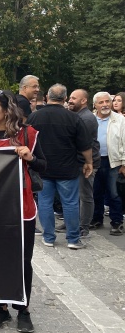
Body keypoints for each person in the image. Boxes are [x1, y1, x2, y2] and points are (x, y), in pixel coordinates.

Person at [0, 90, 47, 333]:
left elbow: (43, 165)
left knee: (23, 260)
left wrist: (30, 156)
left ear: (6, 110)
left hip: (22, 209)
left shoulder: (28, 133)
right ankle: (0, 307)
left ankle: (23, 308)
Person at [27, 84, 93, 250]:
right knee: (70, 204)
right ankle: (73, 239)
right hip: (67, 168)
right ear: (65, 98)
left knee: (45, 202)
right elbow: (85, 146)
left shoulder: (34, 117)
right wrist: (89, 162)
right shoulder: (74, 118)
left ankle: (48, 237)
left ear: (47, 98)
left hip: (43, 168)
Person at [90, 92, 125, 235]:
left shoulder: (120, 120)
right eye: (101, 102)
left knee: (114, 193)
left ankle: (116, 222)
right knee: (95, 192)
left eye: (107, 101)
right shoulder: (90, 119)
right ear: (95, 105)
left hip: (114, 162)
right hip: (94, 161)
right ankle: (96, 219)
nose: (105, 104)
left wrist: (124, 163)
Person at [66, 90, 100, 237]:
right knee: (75, 196)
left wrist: (87, 162)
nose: (70, 100)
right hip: (77, 162)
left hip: (85, 163)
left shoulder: (86, 118)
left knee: (85, 195)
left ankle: (83, 227)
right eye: (70, 98)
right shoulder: (77, 116)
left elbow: (84, 144)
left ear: (84, 101)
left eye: (74, 98)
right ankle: (73, 222)